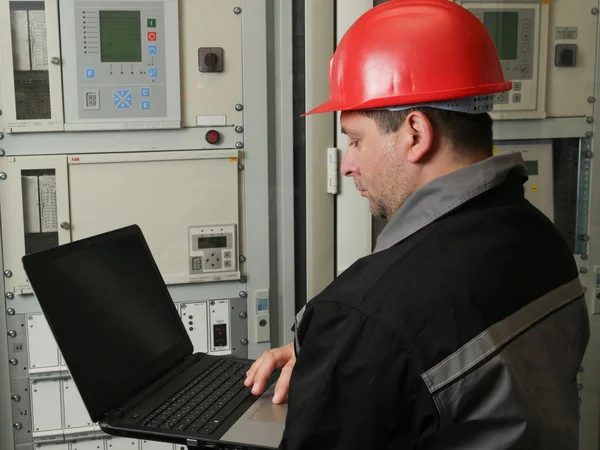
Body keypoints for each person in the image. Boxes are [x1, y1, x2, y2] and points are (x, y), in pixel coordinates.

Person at [245, 0, 591, 448]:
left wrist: (351, 351)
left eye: (355, 139)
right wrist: (346, 358)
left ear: (415, 133)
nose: (347, 164)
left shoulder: (368, 317)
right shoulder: (542, 239)